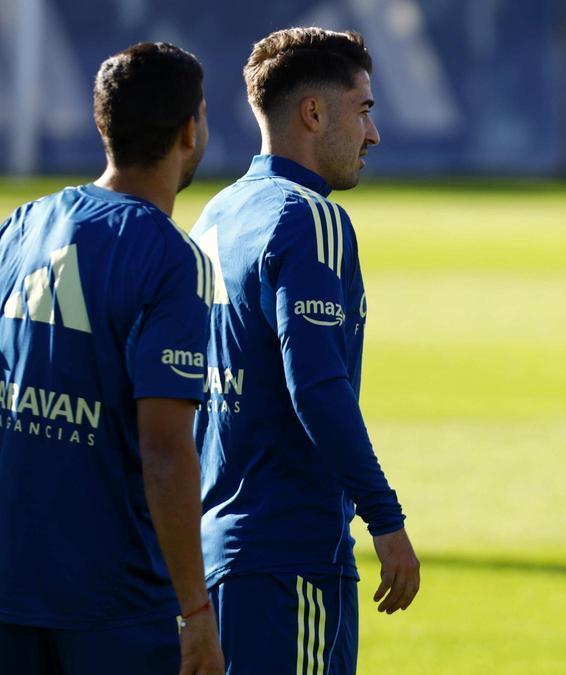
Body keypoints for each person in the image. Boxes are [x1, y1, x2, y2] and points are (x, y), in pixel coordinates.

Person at [190, 27, 418, 674]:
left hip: (216, 557)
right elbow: (317, 386)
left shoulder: (218, 214)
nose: (373, 134)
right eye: (364, 109)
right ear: (314, 113)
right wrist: (385, 516)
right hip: (290, 556)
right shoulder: (309, 217)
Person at [0, 43, 223, 674]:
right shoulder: (171, 261)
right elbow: (166, 449)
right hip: (114, 610)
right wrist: (197, 615)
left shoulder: (23, 223)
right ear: (189, 129)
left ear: (105, 126)